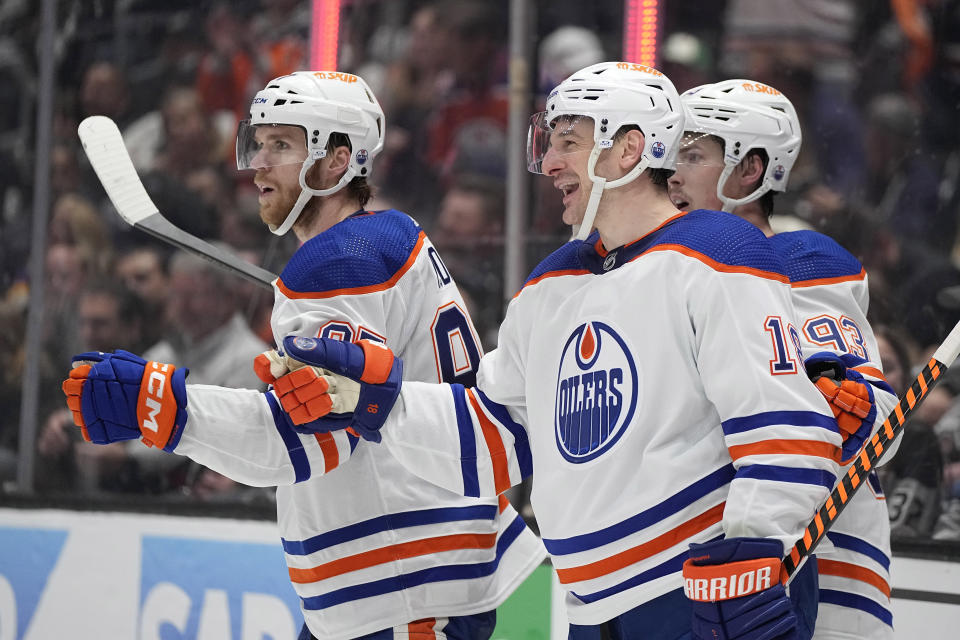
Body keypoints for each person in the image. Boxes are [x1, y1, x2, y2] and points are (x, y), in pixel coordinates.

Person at [261, 62, 843, 639]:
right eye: (552, 142)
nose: (552, 163)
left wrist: (753, 548)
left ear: (630, 150)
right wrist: (370, 400)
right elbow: (493, 432)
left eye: (570, 141)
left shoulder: (718, 253)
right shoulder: (552, 284)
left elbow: (786, 422)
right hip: (590, 606)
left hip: (700, 591)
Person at [61, 71, 544, 640]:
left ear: (337, 162)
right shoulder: (391, 236)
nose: (259, 164)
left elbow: (306, 442)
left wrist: (162, 405)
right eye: (257, 144)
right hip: (424, 570)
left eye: (283, 146)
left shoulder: (336, 265)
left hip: (400, 586)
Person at [670, 79, 901, 639]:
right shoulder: (658, 279)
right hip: (707, 575)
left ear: (749, 171)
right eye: (668, 151)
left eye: (693, 155)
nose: (670, 171)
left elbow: (874, 425)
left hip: (825, 567)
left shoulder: (797, 262)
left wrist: (842, 400)